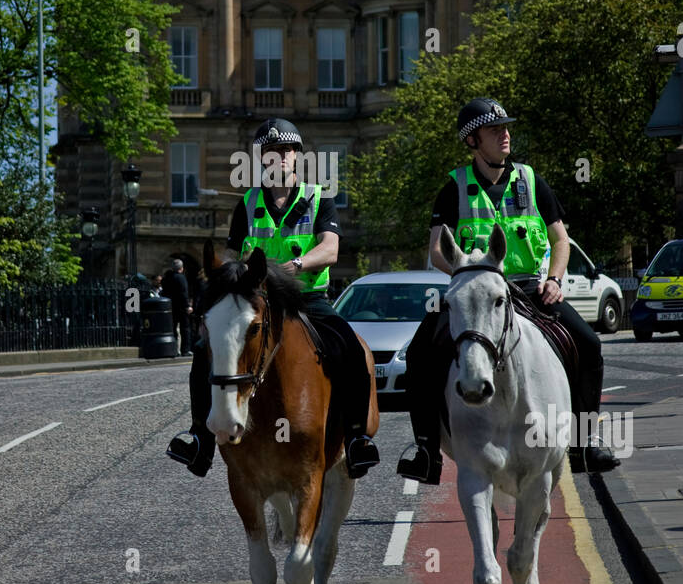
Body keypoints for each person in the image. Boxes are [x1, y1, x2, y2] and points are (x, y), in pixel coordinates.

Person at [397, 98, 619, 484]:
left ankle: (586, 442)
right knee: (419, 352)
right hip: (476, 294)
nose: (505, 134)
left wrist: (554, 279)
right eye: (494, 129)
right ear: (473, 140)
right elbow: (436, 250)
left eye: (506, 128)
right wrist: (470, 277)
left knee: (588, 344)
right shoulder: (454, 187)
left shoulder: (532, 180)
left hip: (530, 290)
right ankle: (426, 450)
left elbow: (561, 240)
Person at [167, 118, 379, 479]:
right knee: (205, 351)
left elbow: (330, 250)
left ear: (297, 157)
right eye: (271, 152)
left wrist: (296, 265)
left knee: (350, 348)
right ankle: (200, 438)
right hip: (257, 304)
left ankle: (357, 437)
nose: (279, 158)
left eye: (286, 151)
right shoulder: (247, 204)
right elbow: (231, 258)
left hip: (306, 299)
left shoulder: (317, 196)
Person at [162, 259, 193, 356]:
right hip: (181, 307)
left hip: (170, 306)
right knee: (185, 329)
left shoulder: (167, 278)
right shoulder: (181, 278)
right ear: (182, 268)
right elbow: (183, 293)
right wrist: (187, 306)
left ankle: (174, 349)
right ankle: (185, 350)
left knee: (173, 328)